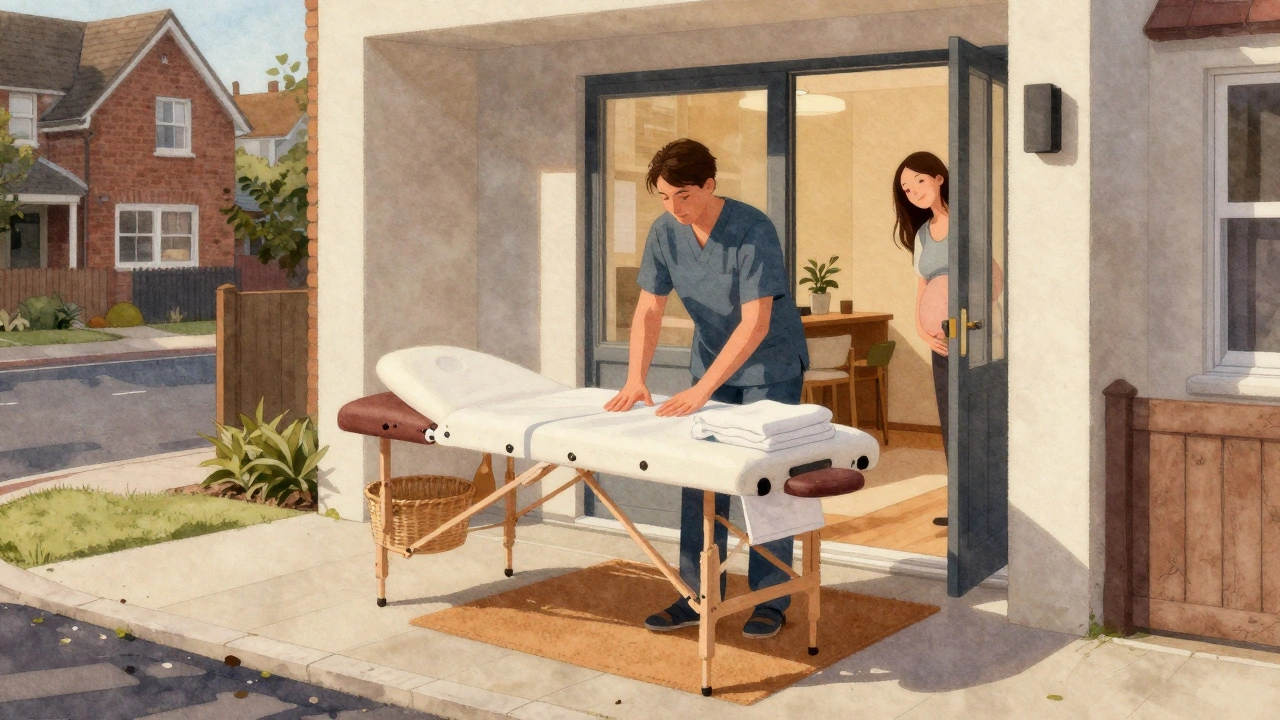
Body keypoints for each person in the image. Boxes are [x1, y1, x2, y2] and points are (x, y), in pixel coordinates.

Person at [603, 138, 809, 640]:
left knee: (766, 483)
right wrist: (636, 377)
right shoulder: (665, 231)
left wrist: (702, 391)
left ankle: (771, 598)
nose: (674, 208)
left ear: (710, 186)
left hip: (770, 367)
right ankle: (696, 594)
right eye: (665, 198)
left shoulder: (752, 229)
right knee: (699, 482)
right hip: (710, 366)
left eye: (684, 196)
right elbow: (649, 308)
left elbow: (756, 322)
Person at [892, 151, 951, 527]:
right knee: (949, 420)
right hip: (939, 342)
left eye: (919, 181)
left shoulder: (967, 223)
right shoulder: (923, 234)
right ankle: (959, 504)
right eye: (906, 187)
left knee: (974, 421)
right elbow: (922, 287)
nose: (913, 191)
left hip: (971, 337)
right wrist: (920, 328)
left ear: (939, 178)